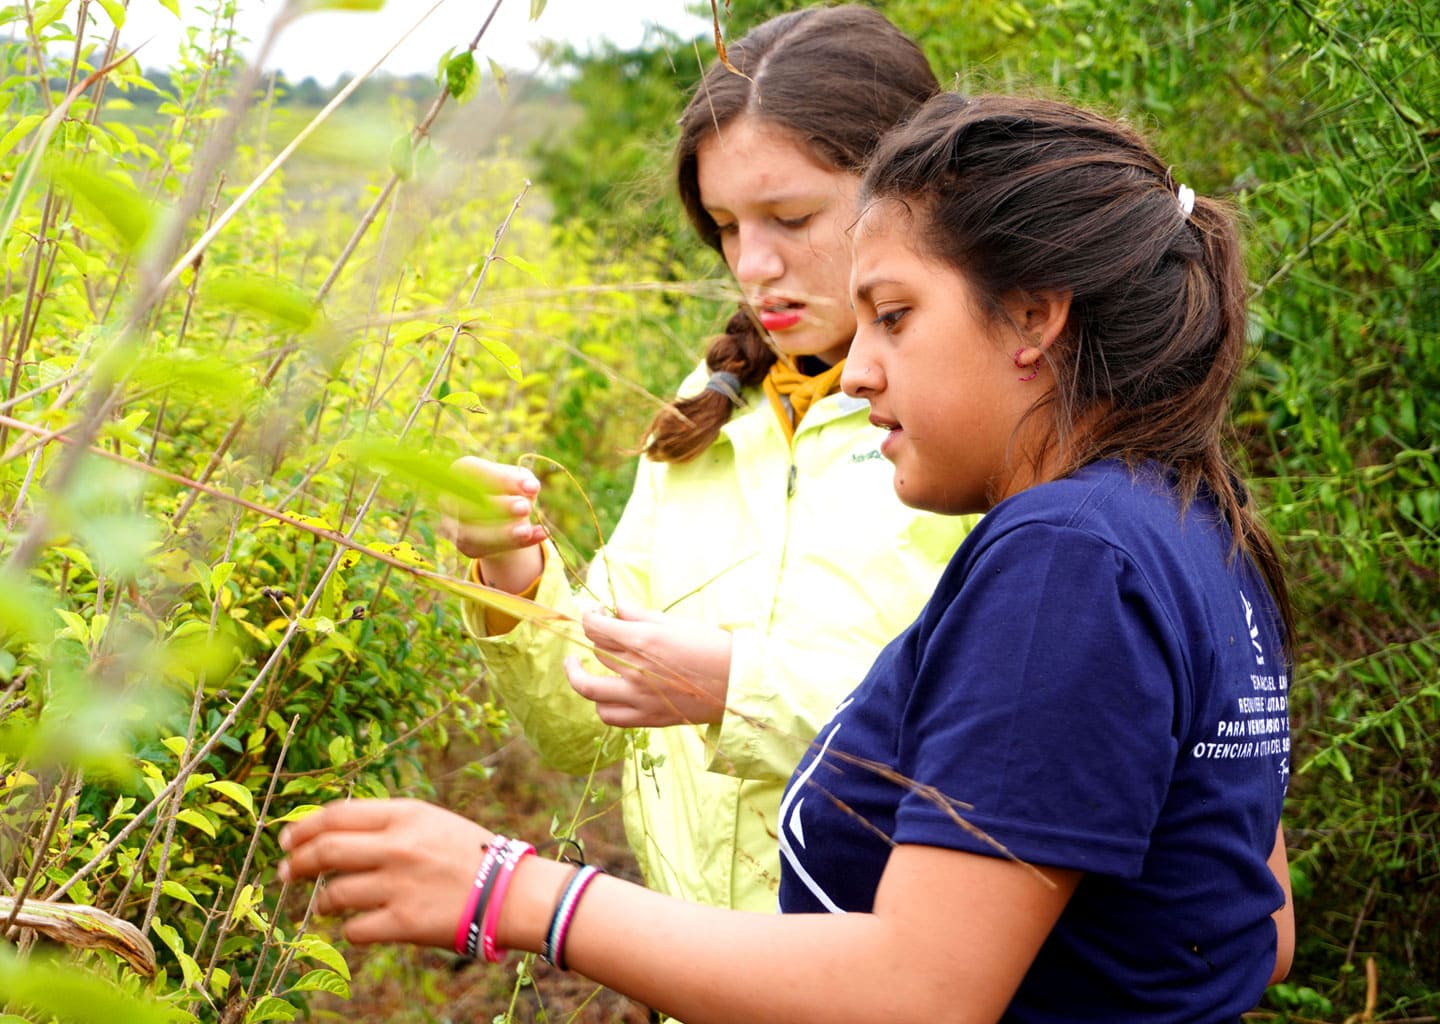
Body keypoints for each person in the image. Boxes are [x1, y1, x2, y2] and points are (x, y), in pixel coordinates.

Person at [281, 92, 1297, 1023]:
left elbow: (921, 992)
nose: (859, 368)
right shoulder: (1201, 524)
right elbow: (1257, 927)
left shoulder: (1064, 560)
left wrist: (514, 888)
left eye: (895, 315)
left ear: (1034, 315)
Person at [442, 6, 971, 915]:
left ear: (916, 193)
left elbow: (1004, 748)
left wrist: (736, 689)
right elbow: (584, 729)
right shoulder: (711, 406)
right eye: (725, 225)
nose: (752, 264)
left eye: (791, 215)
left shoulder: (981, 423)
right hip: (699, 979)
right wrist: (514, 572)